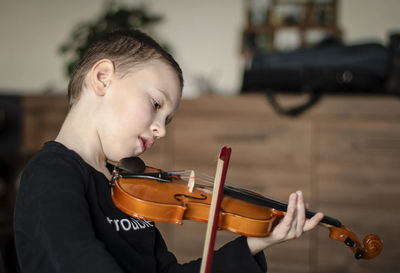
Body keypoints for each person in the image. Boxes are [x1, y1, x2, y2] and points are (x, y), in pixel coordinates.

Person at [14, 29, 324, 273]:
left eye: (167, 120)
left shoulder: (126, 188)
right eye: (155, 104)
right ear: (103, 78)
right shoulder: (50, 175)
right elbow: (78, 262)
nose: (161, 129)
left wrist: (258, 241)